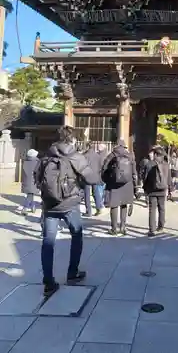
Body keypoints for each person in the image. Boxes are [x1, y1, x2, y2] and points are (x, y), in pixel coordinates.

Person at [35, 126, 99, 297]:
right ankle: (72, 272)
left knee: (48, 242)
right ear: (71, 139)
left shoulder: (46, 155)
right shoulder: (75, 156)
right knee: (77, 235)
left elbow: (37, 178)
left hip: (49, 205)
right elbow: (92, 178)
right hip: (69, 204)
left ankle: (48, 282)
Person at [101, 139, 138, 236]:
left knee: (114, 205)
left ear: (117, 145)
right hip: (127, 184)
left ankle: (114, 228)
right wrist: (135, 186)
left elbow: (104, 168)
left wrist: (107, 180)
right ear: (124, 146)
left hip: (113, 184)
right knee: (124, 204)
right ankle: (123, 227)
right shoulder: (130, 156)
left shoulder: (111, 155)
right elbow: (134, 173)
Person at [143, 146, 171, 237]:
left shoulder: (149, 164)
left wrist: (145, 189)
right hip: (163, 189)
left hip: (152, 190)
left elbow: (145, 178)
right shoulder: (166, 164)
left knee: (152, 210)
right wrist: (169, 189)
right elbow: (168, 178)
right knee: (162, 208)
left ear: (155, 154)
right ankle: (161, 226)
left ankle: (152, 230)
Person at [83, 142, 104, 217]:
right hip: (95, 176)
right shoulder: (98, 156)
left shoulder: (84, 155)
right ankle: (99, 208)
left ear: (87, 147)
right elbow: (101, 166)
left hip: (87, 176)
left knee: (87, 194)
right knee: (96, 193)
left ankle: (88, 211)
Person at [19, 149, 40, 215]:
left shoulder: (26, 161)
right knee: (30, 195)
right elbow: (38, 172)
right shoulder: (37, 162)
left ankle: (32, 207)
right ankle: (24, 209)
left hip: (26, 181)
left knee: (30, 194)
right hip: (33, 181)